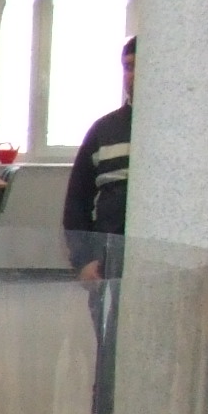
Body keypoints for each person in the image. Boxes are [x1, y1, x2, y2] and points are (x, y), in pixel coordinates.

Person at [63, 37, 136, 283]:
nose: (133, 75)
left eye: (140, 66)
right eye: (128, 67)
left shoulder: (179, 134)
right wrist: (83, 260)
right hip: (108, 262)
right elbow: (77, 202)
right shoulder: (104, 131)